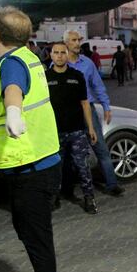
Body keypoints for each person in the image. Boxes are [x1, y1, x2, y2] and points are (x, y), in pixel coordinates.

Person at [0, 7, 65, 272]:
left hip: (30, 168)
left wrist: (13, 112)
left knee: (37, 238)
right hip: (43, 162)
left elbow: (14, 90)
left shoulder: (12, 64)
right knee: (32, 232)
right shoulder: (28, 57)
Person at [63, 30, 125, 197]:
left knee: (101, 148)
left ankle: (112, 184)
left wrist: (106, 106)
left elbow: (98, 86)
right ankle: (67, 189)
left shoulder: (87, 63)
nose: (77, 43)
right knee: (67, 152)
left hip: (88, 110)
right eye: (74, 40)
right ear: (66, 43)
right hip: (68, 112)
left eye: (79, 40)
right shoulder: (59, 64)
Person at [46, 41, 98, 214]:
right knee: (55, 168)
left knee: (82, 166)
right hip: (54, 133)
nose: (60, 55)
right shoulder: (45, 78)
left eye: (62, 52)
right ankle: (54, 198)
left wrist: (90, 128)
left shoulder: (77, 76)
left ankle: (89, 198)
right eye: (56, 52)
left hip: (76, 131)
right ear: (51, 55)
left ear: (67, 55)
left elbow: (85, 104)